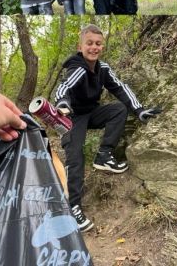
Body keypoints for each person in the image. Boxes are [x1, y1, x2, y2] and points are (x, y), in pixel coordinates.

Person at [54, 24, 160, 231]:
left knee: (118, 109)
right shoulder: (77, 67)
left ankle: (104, 155)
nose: (94, 47)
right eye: (89, 43)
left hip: (91, 113)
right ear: (80, 46)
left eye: (98, 44)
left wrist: (139, 110)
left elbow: (120, 87)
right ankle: (72, 207)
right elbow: (64, 87)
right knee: (75, 157)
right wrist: (62, 103)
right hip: (71, 117)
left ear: (102, 46)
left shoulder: (103, 68)